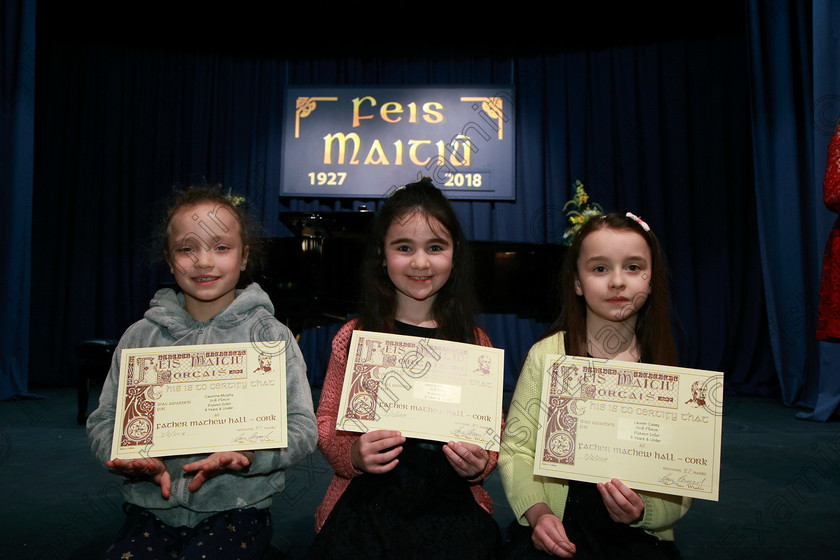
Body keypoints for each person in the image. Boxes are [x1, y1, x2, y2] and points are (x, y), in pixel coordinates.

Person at [87, 184, 318, 560]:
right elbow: (104, 421)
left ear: (244, 257)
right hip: (150, 510)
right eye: (187, 248)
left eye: (221, 247)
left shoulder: (270, 336)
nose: (204, 261)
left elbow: (302, 429)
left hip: (239, 508)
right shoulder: (140, 337)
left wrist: (248, 455)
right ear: (169, 258)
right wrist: (124, 456)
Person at [308, 178, 502, 559]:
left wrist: (481, 462)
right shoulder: (354, 336)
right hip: (367, 502)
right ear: (382, 255)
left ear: (454, 254)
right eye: (403, 247)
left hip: (450, 503)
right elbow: (327, 418)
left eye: (435, 247)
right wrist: (353, 455)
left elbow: (491, 428)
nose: (419, 262)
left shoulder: (475, 342)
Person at [499, 212, 691, 559]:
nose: (617, 282)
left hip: (636, 540)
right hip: (557, 528)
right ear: (577, 281)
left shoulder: (665, 370)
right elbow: (517, 450)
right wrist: (538, 512)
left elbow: (683, 477)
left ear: (652, 278)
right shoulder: (546, 355)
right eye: (600, 269)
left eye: (633, 267)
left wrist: (644, 511)